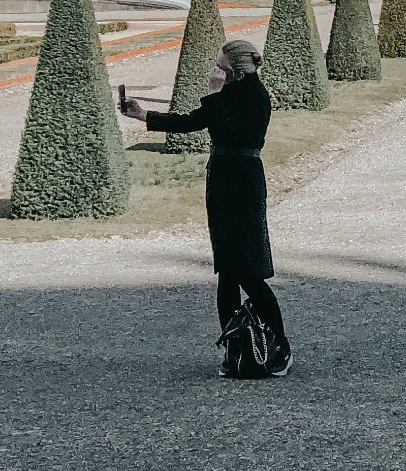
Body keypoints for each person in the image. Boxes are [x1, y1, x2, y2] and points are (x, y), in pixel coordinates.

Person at [119, 39, 289, 377]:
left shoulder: (256, 96)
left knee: (247, 273)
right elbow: (191, 121)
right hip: (222, 181)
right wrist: (143, 116)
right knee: (227, 271)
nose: (217, 72)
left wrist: (214, 91)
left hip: (244, 181)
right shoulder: (232, 93)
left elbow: (225, 127)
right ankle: (235, 348)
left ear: (235, 71)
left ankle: (281, 347)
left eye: (222, 68)